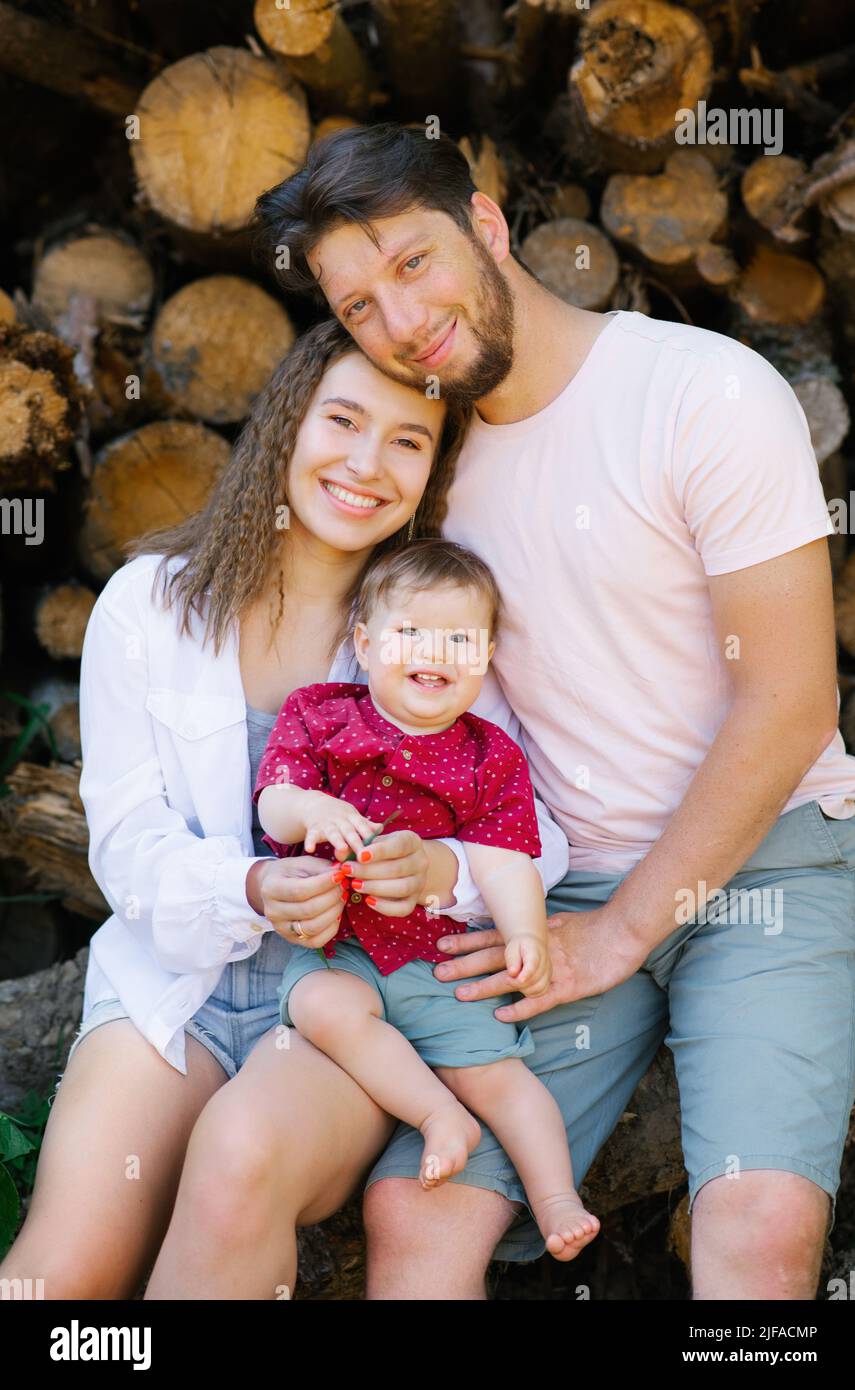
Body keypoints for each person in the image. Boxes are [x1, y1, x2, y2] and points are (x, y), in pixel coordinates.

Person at [251, 122, 855, 1300]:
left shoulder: (703, 392)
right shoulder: (418, 473)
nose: (401, 318)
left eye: (413, 261)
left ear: (486, 223)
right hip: (559, 880)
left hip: (770, 855)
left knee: (761, 1224)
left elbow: (790, 702)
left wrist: (624, 931)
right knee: (414, 1217)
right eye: (360, 304)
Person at [0, 315, 569, 1299]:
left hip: (354, 1000)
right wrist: (255, 882)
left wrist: (444, 871)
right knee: (54, 1279)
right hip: (173, 984)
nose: (366, 463)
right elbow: (130, 849)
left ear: (433, 470)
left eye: (407, 440)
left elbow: (534, 835)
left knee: (238, 1157)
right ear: (287, 425)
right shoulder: (149, 606)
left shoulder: (436, 627)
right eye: (342, 420)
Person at [256, 540, 600, 1260]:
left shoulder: (489, 755)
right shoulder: (321, 717)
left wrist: (526, 936)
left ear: (486, 655)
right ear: (364, 642)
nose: (432, 652)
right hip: (341, 948)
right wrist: (310, 811)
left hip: (434, 957)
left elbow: (507, 861)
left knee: (502, 1080)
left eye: (457, 639)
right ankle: (439, 1115)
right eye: (409, 632)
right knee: (317, 1008)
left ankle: (553, 1196)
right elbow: (274, 802)